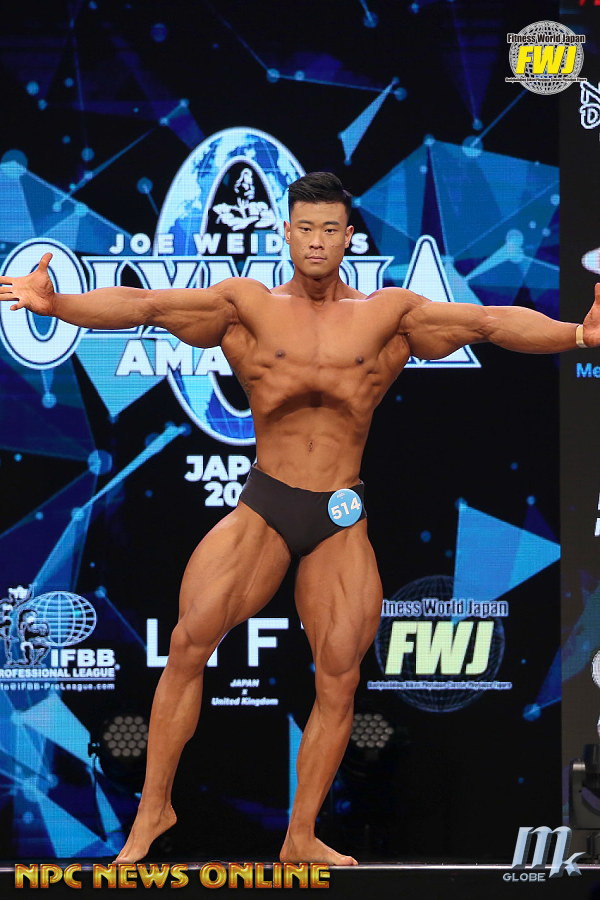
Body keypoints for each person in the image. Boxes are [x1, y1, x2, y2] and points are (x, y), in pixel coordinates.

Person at [1, 172, 598, 865]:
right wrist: (58, 305)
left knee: (339, 678)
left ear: (348, 238)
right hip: (267, 503)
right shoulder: (247, 307)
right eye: (305, 228)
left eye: (329, 229)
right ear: (286, 233)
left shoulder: (389, 315)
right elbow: (147, 306)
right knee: (189, 644)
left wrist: (577, 335)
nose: (316, 241)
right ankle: (154, 810)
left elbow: (490, 324)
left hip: (340, 513)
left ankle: (301, 835)